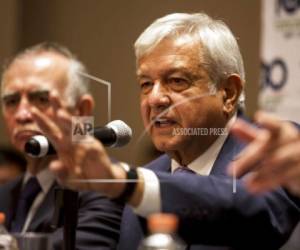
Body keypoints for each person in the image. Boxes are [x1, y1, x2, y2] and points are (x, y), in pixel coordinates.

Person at [29, 13, 300, 249]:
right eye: (146, 84)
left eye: (177, 81)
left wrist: (128, 182)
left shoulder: (273, 150)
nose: (155, 99)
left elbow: (254, 214)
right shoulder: (149, 176)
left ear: (228, 93)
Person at [0, 43, 122, 250]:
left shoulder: (105, 185)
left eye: (40, 99)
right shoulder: (4, 193)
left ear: (82, 111)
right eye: (11, 101)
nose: (22, 115)